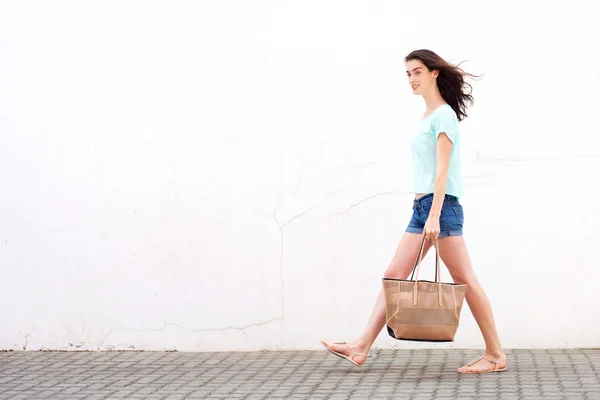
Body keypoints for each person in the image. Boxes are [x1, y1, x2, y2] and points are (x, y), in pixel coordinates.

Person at [321, 49, 507, 374]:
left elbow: (442, 169)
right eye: (408, 74)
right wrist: (427, 212)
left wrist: (434, 214)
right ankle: (361, 346)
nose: (412, 79)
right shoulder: (426, 116)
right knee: (394, 277)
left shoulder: (443, 116)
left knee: (465, 280)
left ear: (434, 72)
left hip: (441, 207)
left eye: (417, 72)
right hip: (421, 209)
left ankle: (494, 355)